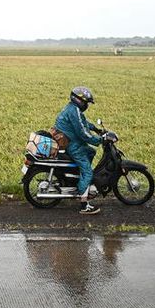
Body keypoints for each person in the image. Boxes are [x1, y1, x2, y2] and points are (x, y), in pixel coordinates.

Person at [51, 86, 103, 215]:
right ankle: (84, 205)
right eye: (86, 102)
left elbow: (83, 123)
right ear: (80, 100)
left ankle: (79, 177)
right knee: (88, 172)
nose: (87, 105)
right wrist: (100, 140)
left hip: (70, 141)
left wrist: (95, 128)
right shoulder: (74, 111)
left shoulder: (73, 109)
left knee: (91, 152)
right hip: (72, 145)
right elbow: (83, 134)